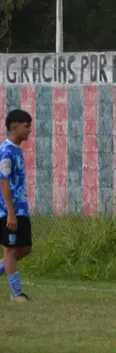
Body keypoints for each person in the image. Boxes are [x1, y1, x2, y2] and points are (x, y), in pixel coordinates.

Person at [0, 109, 34, 302]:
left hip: (21, 208)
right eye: (27, 126)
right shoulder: (5, 152)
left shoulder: (17, 150)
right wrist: (10, 212)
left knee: (26, 248)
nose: (30, 131)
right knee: (10, 250)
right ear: (14, 127)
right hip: (8, 209)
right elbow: (3, 181)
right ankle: (16, 293)